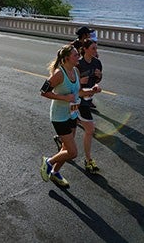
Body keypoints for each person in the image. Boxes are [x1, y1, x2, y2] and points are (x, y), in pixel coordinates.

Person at [39, 44, 102, 188]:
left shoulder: (75, 71)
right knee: (72, 152)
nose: (78, 57)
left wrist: (92, 90)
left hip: (72, 114)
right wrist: (63, 98)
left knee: (65, 148)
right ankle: (48, 162)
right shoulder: (59, 74)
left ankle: (55, 173)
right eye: (75, 55)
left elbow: (77, 92)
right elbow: (43, 91)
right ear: (67, 58)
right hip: (59, 117)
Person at [54, 39, 103, 173]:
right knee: (90, 129)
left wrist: (98, 81)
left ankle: (62, 146)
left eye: (96, 48)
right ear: (85, 49)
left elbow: (96, 80)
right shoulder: (77, 65)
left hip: (86, 99)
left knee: (72, 134)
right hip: (79, 101)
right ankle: (87, 160)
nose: (95, 51)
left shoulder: (97, 62)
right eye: (93, 48)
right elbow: (73, 86)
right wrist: (79, 82)